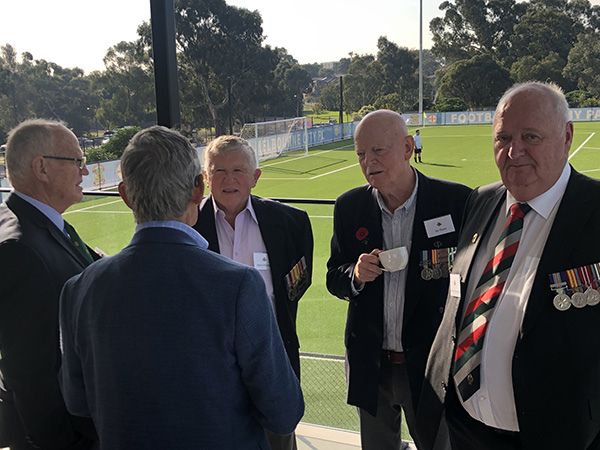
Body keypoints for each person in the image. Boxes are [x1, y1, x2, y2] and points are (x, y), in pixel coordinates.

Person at [58, 126, 304, 450]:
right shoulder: (239, 285)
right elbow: (284, 414)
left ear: (125, 195)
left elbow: (77, 402)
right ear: (198, 189)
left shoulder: (80, 289)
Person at [416, 81, 600, 450]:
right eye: (503, 138)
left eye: (531, 136)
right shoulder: (481, 201)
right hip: (463, 427)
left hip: (558, 436)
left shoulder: (595, 211)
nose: (515, 151)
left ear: (567, 136)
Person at [326, 110, 471, 450]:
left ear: (408, 148)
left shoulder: (456, 201)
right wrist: (356, 275)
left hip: (431, 365)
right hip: (371, 364)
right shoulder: (350, 206)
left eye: (378, 150)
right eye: (361, 154)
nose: (368, 162)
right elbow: (335, 276)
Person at [193, 135, 313, 450]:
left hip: (273, 362)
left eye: (239, 170)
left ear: (255, 177)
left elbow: (296, 285)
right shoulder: (188, 226)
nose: (228, 179)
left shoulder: (291, 223)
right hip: (210, 370)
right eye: (218, 171)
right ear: (206, 178)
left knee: (279, 441)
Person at [0, 119, 99, 450]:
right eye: (76, 161)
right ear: (41, 168)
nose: (84, 172)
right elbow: (31, 372)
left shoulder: (38, 223)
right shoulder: (19, 250)